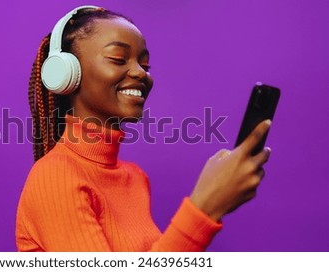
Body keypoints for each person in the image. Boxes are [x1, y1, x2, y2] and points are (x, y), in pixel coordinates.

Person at [15, 6, 272, 252]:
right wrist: (204, 208)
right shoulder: (55, 177)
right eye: (118, 58)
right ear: (66, 74)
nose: (141, 73)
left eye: (145, 65)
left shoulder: (135, 178)